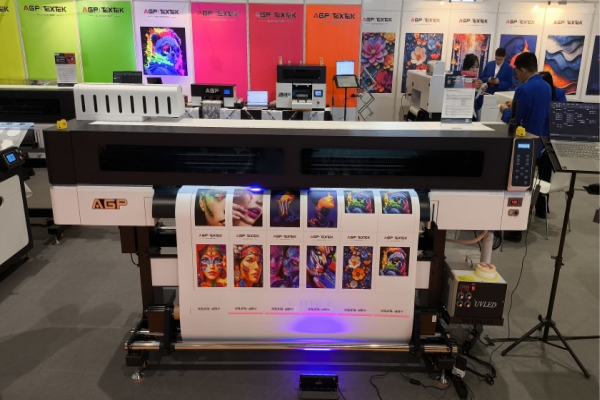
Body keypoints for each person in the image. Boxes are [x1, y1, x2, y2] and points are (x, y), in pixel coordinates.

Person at [500, 53, 552, 239]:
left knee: (515, 189)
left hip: (522, 145)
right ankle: (519, 226)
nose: (517, 77)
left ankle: (513, 231)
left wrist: (505, 110)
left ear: (522, 70)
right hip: (537, 145)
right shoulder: (546, 87)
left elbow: (513, 120)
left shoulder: (524, 89)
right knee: (526, 188)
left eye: (517, 73)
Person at [462, 54, 485, 120]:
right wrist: (473, 89)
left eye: (477, 67)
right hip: (463, 117)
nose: (475, 70)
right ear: (466, 68)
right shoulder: (460, 81)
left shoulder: (476, 81)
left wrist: (481, 91)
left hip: (474, 118)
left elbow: (478, 106)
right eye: (472, 67)